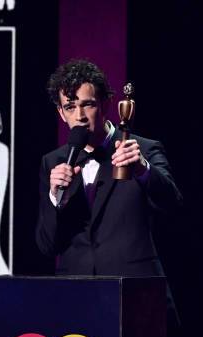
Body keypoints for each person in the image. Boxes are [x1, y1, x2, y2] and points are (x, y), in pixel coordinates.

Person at [36, 59, 182, 277]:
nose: (80, 116)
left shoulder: (143, 150)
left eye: (88, 104)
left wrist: (143, 169)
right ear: (61, 113)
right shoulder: (53, 162)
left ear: (106, 104)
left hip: (135, 290)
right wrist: (55, 199)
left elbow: (174, 207)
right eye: (70, 107)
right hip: (76, 291)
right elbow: (47, 246)